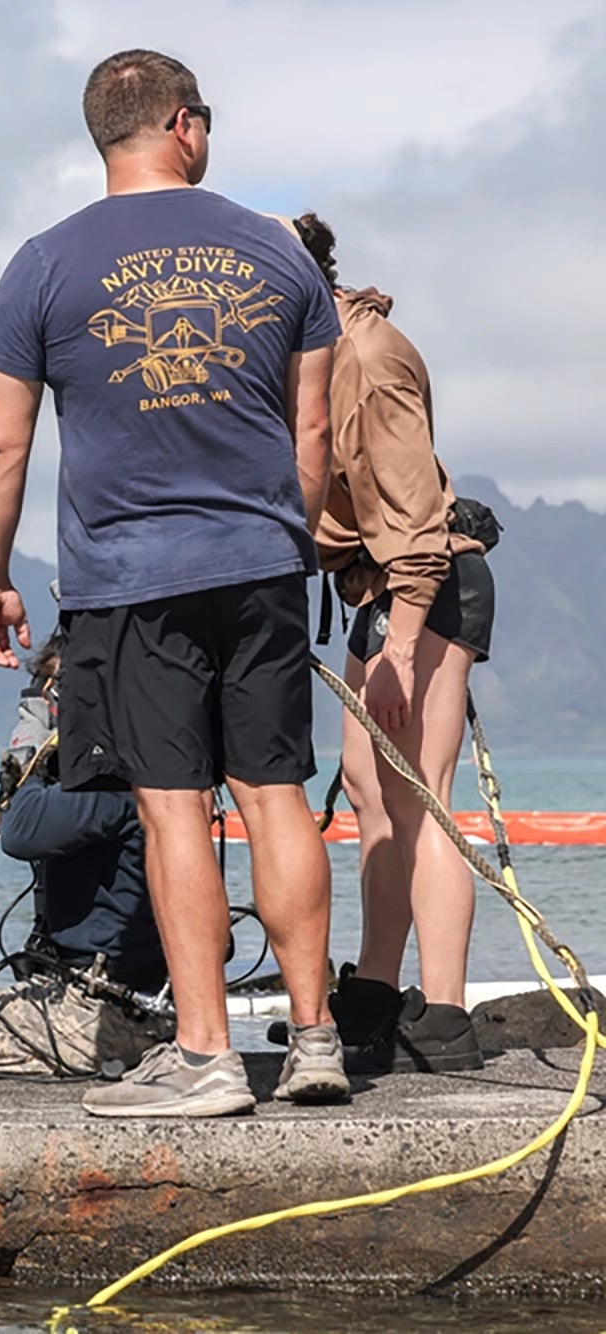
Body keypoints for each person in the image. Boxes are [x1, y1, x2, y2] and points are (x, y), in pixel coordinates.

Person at [0, 48, 347, 1116]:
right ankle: (314, 1038)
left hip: (130, 577)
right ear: (184, 124)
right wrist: (283, 538)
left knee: (173, 807)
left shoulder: (44, 262)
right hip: (262, 562)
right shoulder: (280, 253)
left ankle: (205, 1054)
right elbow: (312, 428)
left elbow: (0, 443)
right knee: (273, 793)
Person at [291, 211, 495, 1073]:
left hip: (423, 586)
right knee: (371, 793)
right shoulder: (320, 352)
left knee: (422, 798)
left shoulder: (369, 360)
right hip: (377, 585)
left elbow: (415, 515)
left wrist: (403, 645)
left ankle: (444, 1015)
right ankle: (375, 996)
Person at [0, 630, 174, 1076]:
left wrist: (27, 746)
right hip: (111, 1001)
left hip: (105, 1017)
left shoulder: (112, 780)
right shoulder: (149, 764)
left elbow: (20, 833)